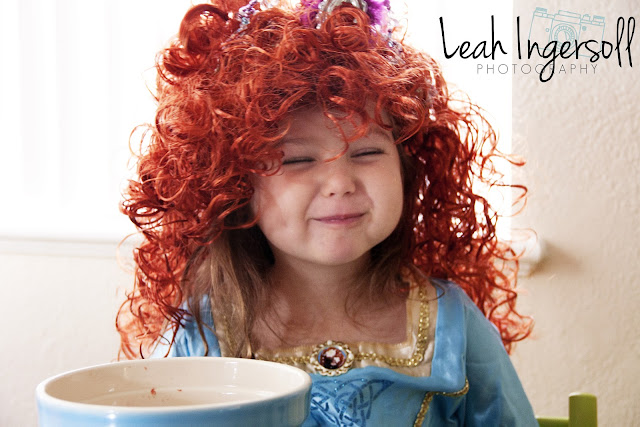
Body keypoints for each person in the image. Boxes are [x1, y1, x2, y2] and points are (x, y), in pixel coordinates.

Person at [116, 0, 537, 424]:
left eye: (367, 152)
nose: (340, 182)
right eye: (298, 160)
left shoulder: (453, 324)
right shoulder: (200, 333)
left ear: (407, 170)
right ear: (236, 186)